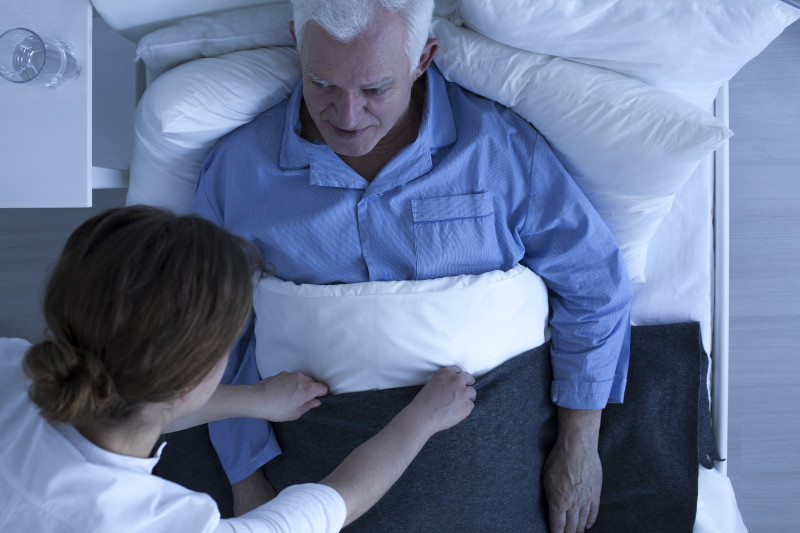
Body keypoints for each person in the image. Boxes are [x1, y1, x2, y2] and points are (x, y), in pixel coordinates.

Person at [192, 0, 632, 531]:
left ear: (423, 59)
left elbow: (595, 286)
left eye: (375, 89)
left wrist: (580, 443)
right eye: (322, 83)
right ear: (296, 45)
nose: (347, 117)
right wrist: (246, 478)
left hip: (497, 444)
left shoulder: (499, 150)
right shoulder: (239, 173)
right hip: (316, 460)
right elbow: (212, 337)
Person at [0, 205, 477, 532]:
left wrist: (255, 400)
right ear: (191, 380)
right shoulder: (164, 521)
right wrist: (423, 419)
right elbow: (329, 506)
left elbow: (131, 401)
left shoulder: (11, 364)